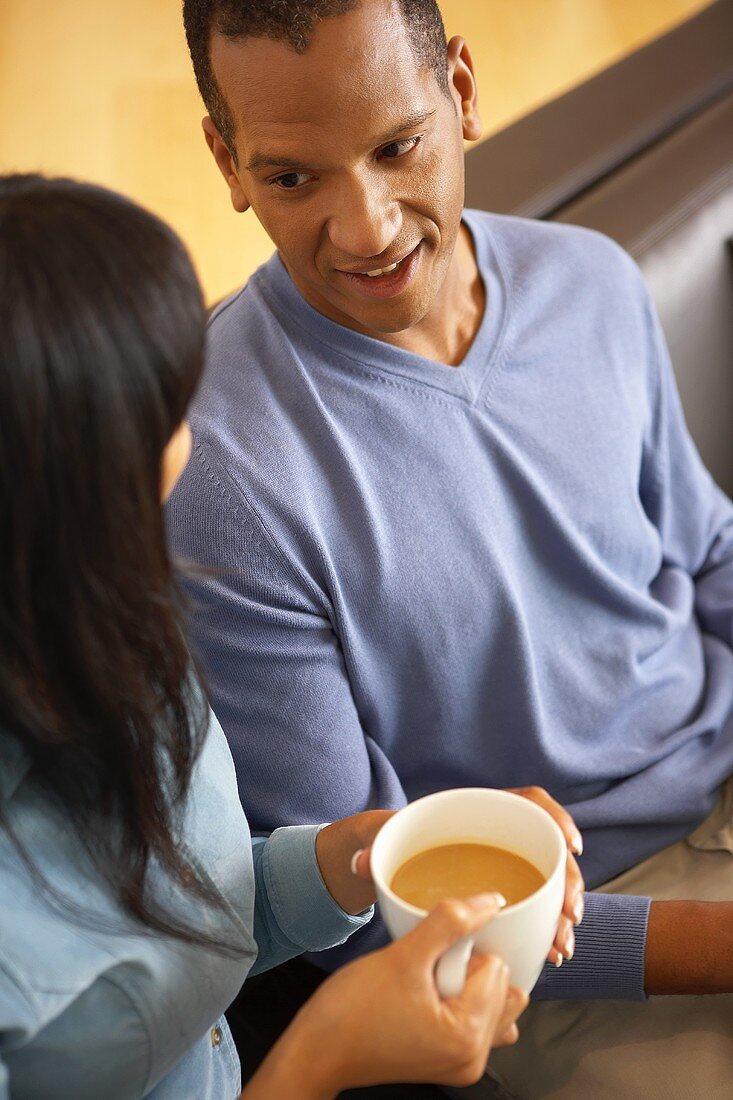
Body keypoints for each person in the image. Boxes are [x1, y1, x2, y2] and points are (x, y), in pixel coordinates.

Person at [167, 1, 733, 1097]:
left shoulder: (593, 280)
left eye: (395, 148)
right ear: (227, 162)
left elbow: (708, 549)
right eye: (294, 178)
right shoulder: (220, 470)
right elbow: (365, 915)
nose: (366, 228)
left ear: (462, 93)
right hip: (558, 942)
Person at [0, 172, 536, 1100]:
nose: (195, 438)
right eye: (169, 408)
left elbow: (192, 904)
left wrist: (355, 858)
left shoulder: (115, 635)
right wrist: (321, 1057)